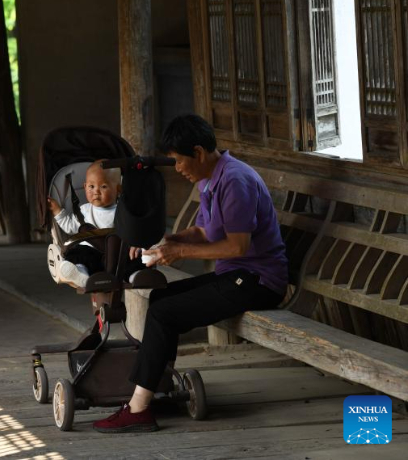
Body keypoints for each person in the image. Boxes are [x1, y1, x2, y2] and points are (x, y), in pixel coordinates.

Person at [92, 114, 288, 433]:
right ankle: (156, 387)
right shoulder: (212, 179)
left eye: (179, 161)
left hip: (258, 281)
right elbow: (205, 231)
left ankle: (139, 407)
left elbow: (237, 246)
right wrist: (168, 240)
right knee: (161, 298)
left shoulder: (234, 180)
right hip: (238, 275)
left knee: (165, 312)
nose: (177, 169)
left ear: (198, 152)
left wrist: (180, 253)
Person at [48, 160, 145, 288]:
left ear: (118, 189)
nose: (96, 191)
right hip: (91, 253)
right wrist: (57, 211)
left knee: (135, 256)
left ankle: (136, 276)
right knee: (79, 253)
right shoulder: (84, 211)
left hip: (118, 256)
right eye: (91, 187)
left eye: (103, 186)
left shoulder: (123, 211)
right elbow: (70, 225)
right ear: (85, 186)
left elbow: (133, 230)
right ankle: (80, 273)